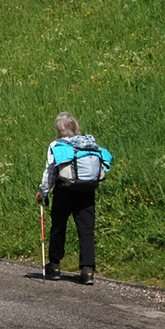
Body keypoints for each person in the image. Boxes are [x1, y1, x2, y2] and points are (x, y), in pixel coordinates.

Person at [35, 112, 109, 285]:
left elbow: (51, 171)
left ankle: (54, 266)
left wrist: (43, 192)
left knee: (59, 226)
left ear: (59, 129)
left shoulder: (57, 145)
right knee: (86, 229)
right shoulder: (87, 143)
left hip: (64, 190)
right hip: (87, 190)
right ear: (75, 126)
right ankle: (88, 270)